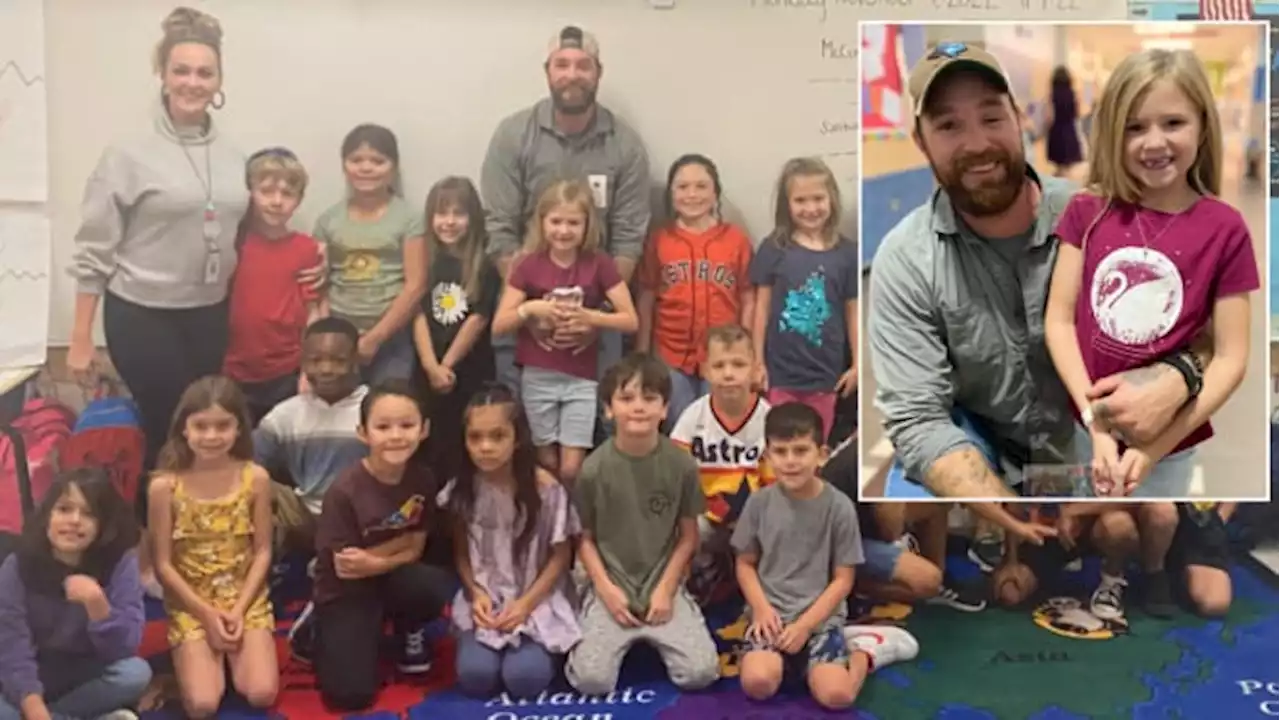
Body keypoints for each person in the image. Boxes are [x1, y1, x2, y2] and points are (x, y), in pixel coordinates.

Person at [867, 41, 1211, 500]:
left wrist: (1178, 376)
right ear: (921, 141)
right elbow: (917, 418)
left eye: (991, 118)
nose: (976, 143)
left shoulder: (1101, 219)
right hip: (983, 449)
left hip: (1092, 448)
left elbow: (1203, 329)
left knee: (1153, 521)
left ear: (1019, 118)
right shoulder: (907, 259)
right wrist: (1012, 518)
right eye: (949, 125)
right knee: (908, 492)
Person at [1045, 48, 1259, 499]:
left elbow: (1231, 358)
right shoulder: (1088, 210)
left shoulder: (1226, 229)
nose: (1154, 142)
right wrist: (1096, 427)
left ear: (1202, 125)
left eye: (1173, 123)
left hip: (1171, 441)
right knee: (1084, 518)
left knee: (1158, 523)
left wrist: (1153, 450)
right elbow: (1060, 321)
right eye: (1134, 127)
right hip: (1085, 431)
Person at [67, 7, 247, 518]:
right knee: (172, 424)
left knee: (205, 426)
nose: (193, 82)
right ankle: (153, 546)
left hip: (208, 311)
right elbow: (93, 247)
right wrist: (80, 337)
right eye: (181, 70)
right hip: (141, 311)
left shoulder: (234, 154)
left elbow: (244, 228)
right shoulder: (128, 152)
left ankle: (198, 532)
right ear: (162, 75)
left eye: (204, 72)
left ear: (219, 81)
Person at [481, 25, 651, 403]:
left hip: (598, 314)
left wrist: (589, 318)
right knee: (520, 423)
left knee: (596, 423)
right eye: (562, 65)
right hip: (523, 309)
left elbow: (628, 240)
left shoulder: (625, 145)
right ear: (547, 72)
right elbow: (500, 228)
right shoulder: (512, 136)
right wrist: (532, 310)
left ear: (598, 73)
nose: (572, 74)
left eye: (583, 65)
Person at [734, 404, 917, 709]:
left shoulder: (839, 507)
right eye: (781, 451)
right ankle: (786, 661)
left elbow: (843, 579)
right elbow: (745, 563)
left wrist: (805, 626)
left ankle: (864, 652)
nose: (790, 461)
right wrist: (762, 609)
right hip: (772, 615)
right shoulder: (759, 504)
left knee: (837, 696)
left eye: (800, 450)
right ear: (767, 455)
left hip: (819, 618)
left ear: (821, 454)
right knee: (758, 683)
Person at [564, 353, 720, 695]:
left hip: (661, 583)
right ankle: (590, 616)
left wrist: (666, 588)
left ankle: (680, 607)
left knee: (701, 673)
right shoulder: (593, 469)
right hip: (611, 585)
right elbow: (584, 540)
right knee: (592, 681)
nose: (638, 407)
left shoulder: (682, 465)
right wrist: (606, 590)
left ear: (665, 409)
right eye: (627, 398)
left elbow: (688, 536)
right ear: (608, 409)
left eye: (649, 399)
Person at [304, 381, 454, 712]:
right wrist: (396, 551)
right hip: (345, 591)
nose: (396, 435)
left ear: (424, 429)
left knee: (432, 584)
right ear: (363, 433)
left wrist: (375, 559)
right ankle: (319, 626)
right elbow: (346, 566)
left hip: (390, 579)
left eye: (406, 425)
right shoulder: (345, 490)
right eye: (383, 427)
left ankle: (406, 628)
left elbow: (417, 545)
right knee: (350, 696)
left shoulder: (423, 479)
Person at [490, 179, 639, 487]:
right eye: (556, 221)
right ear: (542, 222)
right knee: (546, 462)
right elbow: (499, 324)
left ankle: (572, 523)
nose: (564, 230)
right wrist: (530, 310)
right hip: (538, 376)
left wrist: (592, 318)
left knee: (572, 468)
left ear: (587, 225)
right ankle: (550, 524)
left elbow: (630, 320)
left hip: (581, 378)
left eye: (573, 222)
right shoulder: (528, 265)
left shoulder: (599, 264)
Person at [147, 377, 278, 718]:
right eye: (201, 426)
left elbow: (263, 551)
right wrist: (206, 615)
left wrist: (238, 610)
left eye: (223, 426)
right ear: (184, 429)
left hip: (244, 597)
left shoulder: (256, 478)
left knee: (261, 693)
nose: (211, 436)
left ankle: (227, 659)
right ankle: (188, 666)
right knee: (204, 705)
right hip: (193, 600)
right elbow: (163, 565)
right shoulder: (164, 486)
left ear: (238, 429)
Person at [440, 384, 581, 699]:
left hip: (534, 596)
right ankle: (478, 642)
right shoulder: (461, 489)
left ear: (517, 439)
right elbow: (461, 550)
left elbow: (561, 556)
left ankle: (548, 649)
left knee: (524, 681)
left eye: (497, 436)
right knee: (476, 678)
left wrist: (525, 605)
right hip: (487, 598)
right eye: (475, 438)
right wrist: (475, 593)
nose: (485, 447)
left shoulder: (546, 490)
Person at [0, 469, 151, 720]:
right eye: (64, 509)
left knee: (135, 673)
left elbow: (123, 649)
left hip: (81, 670)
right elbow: (10, 647)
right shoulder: (18, 565)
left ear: (103, 524)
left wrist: (98, 606)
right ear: (47, 516)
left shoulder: (120, 563)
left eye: (88, 514)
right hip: (26, 672)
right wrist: (33, 706)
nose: (74, 521)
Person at [636, 155, 756, 427]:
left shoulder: (735, 239)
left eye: (701, 186)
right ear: (671, 194)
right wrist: (642, 354)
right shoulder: (659, 239)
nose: (692, 194)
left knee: (720, 427)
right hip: (671, 356)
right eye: (683, 187)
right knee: (682, 429)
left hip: (723, 358)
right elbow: (646, 297)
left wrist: (747, 351)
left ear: (716, 193)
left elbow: (749, 297)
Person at [750, 157, 858, 441]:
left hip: (825, 376)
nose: (810, 208)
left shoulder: (847, 253)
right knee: (782, 443)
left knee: (813, 445)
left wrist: (858, 363)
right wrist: (757, 361)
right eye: (800, 200)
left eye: (818, 198)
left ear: (831, 199)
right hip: (781, 374)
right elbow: (760, 310)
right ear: (787, 205)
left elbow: (852, 311)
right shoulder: (774, 248)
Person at [314, 124, 427, 384]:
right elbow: (320, 285)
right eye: (356, 160)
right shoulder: (327, 221)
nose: (366, 168)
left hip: (392, 336)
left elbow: (416, 284)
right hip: (339, 336)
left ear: (393, 167)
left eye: (378, 161)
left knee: (388, 409)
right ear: (344, 165)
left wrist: (374, 338)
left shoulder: (409, 218)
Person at [668, 324, 773, 606]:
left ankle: (770, 598)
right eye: (719, 365)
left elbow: (776, 487)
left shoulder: (768, 419)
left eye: (738, 364)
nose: (728, 374)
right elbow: (676, 478)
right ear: (705, 370)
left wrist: (752, 519)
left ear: (754, 368)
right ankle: (682, 595)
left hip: (755, 520)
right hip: (707, 517)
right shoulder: (693, 417)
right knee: (681, 527)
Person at [223, 147, 326, 425]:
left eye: (287, 194)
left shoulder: (306, 249)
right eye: (266, 191)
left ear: (299, 200)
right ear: (249, 194)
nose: (276, 202)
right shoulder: (232, 243)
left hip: (286, 370)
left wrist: (310, 368)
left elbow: (314, 312)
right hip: (233, 369)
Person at [412, 177, 501, 484]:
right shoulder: (426, 262)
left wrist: (446, 365)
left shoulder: (485, 266)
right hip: (428, 371)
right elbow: (419, 315)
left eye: (458, 214)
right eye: (441, 213)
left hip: (468, 372)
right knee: (429, 447)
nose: (449, 222)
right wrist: (430, 366)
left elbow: (478, 319)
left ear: (473, 219)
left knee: (463, 445)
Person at [254, 318, 368, 546]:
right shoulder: (285, 415)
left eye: (338, 360)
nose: (326, 369)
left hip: (365, 518)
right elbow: (248, 467)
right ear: (302, 362)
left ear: (356, 361)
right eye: (315, 360)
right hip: (304, 520)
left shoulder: (377, 408)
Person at [993, 502, 1179, 619]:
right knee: (1010, 594)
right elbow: (1014, 501)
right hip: (1051, 531)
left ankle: (1112, 579)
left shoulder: (1108, 446)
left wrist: (1074, 511)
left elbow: (1136, 497)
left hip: (1099, 525)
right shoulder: (1037, 443)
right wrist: (1012, 560)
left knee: (1119, 526)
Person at [820, 435, 944, 608]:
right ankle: (850, 587)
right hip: (834, 546)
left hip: (857, 525)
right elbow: (890, 533)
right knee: (928, 581)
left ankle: (943, 585)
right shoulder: (885, 459)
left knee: (937, 504)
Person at [1045, 66, 1084, 177]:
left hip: (1057, 130)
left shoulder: (1052, 95)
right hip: (1069, 129)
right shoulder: (1073, 94)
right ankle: (1066, 179)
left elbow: (1049, 116)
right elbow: (1077, 113)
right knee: (1068, 163)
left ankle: (1060, 178)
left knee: (1059, 163)